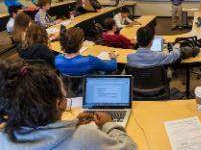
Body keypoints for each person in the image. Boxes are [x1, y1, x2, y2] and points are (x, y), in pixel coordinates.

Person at [0, 59, 137, 150]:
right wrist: (109, 125)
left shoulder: (3, 138)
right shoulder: (86, 137)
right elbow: (130, 148)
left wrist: (74, 123)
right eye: (65, 96)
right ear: (58, 104)